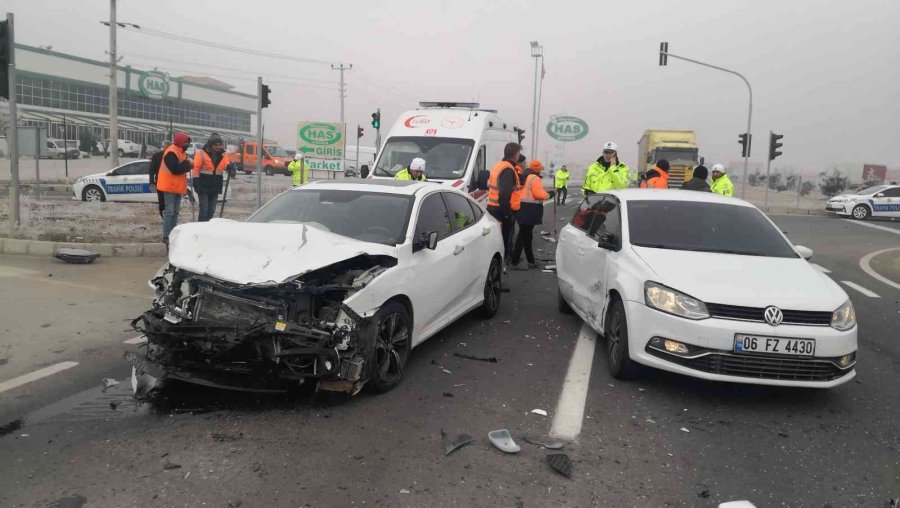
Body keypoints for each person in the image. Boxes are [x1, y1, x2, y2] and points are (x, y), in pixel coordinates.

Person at [511, 160, 554, 269]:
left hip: (522, 208)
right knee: (523, 236)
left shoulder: (524, 175)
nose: (540, 170)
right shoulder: (534, 178)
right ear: (537, 168)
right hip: (530, 210)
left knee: (527, 236)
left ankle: (530, 260)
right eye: (540, 168)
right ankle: (515, 261)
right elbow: (539, 194)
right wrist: (551, 193)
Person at [487, 143, 523, 262]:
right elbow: (504, 194)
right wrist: (507, 214)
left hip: (493, 207)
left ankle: (498, 262)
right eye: (519, 153)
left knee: (496, 239)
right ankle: (502, 264)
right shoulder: (508, 169)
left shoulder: (499, 165)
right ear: (516, 154)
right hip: (502, 211)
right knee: (504, 240)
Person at [157, 132, 193, 247]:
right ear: (179, 142)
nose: (187, 144)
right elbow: (175, 169)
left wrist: (188, 163)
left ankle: (172, 233)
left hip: (177, 187)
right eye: (185, 142)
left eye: (188, 142)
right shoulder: (171, 152)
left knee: (175, 212)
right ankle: (166, 236)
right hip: (169, 186)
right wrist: (188, 164)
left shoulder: (181, 152)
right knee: (169, 211)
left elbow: (184, 165)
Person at [192, 133, 228, 222]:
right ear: (210, 145)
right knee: (204, 210)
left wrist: (230, 168)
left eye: (220, 145)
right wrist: (196, 184)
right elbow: (196, 169)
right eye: (216, 145)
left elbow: (226, 165)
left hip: (215, 187)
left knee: (211, 210)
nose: (218, 147)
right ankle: (200, 229)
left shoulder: (223, 154)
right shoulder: (201, 153)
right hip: (203, 186)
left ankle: (208, 229)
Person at [148, 140, 172, 217]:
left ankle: (169, 216)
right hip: (160, 182)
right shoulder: (157, 156)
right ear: (163, 147)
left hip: (171, 183)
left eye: (169, 147)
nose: (167, 149)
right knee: (162, 201)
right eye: (166, 147)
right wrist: (151, 182)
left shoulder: (173, 156)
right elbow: (151, 170)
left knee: (170, 202)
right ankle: (163, 216)